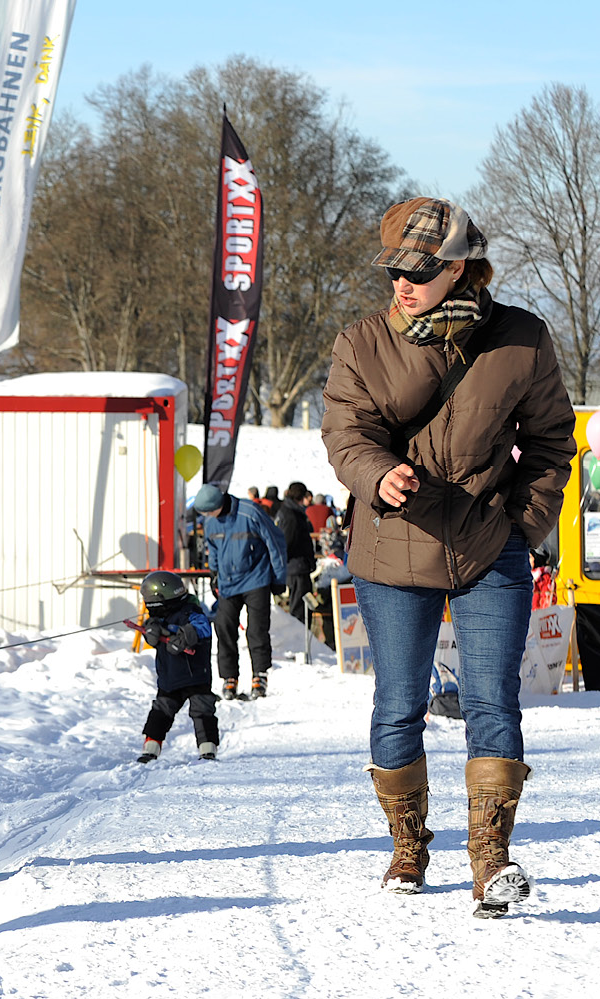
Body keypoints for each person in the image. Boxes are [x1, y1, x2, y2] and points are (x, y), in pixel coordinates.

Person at [321, 196, 576, 917]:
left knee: (493, 700)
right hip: (394, 546)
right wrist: (377, 473)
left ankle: (491, 860)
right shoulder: (362, 341)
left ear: (459, 267)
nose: (404, 282)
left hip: (490, 545)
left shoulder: (521, 338)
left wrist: (523, 523)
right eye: (395, 269)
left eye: (422, 269)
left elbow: (553, 442)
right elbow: (346, 434)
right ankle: (408, 845)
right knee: (400, 703)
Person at [191, 482, 287, 700]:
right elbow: (213, 549)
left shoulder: (250, 512)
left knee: (256, 629)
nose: (207, 516)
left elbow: (275, 541)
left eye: (209, 511)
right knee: (224, 627)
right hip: (228, 583)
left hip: (256, 578)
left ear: (219, 504)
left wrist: (279, 578)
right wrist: (214, 574)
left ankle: (259, 675)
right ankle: (229, 677)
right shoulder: (210, 522)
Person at [133, 570, 218, 763]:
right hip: (170, 677)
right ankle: (150, 748)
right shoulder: (158, 616)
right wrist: (151, 632)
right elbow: (152, 629)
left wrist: (184, 635)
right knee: (161, 712)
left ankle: (208, 749)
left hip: (195, 675)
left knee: (202, 711)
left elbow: (202, 627)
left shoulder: (191, 611)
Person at [276, 483, 316, 626]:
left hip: (296, 566)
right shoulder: (292, 515)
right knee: (300, 610)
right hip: (296, 567)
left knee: (300, 606)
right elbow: (287, 542)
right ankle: (300, 640)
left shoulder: (289, 511)